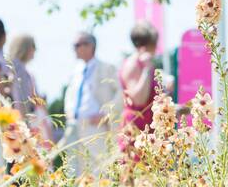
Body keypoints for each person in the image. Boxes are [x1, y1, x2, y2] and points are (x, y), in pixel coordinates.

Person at [62, 32, 119, 177]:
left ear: (90, 46)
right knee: (74, 168)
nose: (74, 49)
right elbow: (70, 95)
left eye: (77, 45)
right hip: (75, 125)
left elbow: (122, 93)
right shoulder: (76, 70)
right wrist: (69, 114)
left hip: (95, 126)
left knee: (97, 168)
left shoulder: (107, 68)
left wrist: (107, 115)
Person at [118, 22, 161, 151]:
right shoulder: (134, 65)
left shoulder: (142, 63)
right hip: (137, 128)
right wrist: (147, 69)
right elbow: (138, 99)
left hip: (148, 127)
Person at [6, 33, 52, 143]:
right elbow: (21, 99)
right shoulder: (20, 69)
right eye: (34, 47)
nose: (35, 50)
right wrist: (24, 127)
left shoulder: (13, 66)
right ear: (26, 48)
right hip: (24, 121)